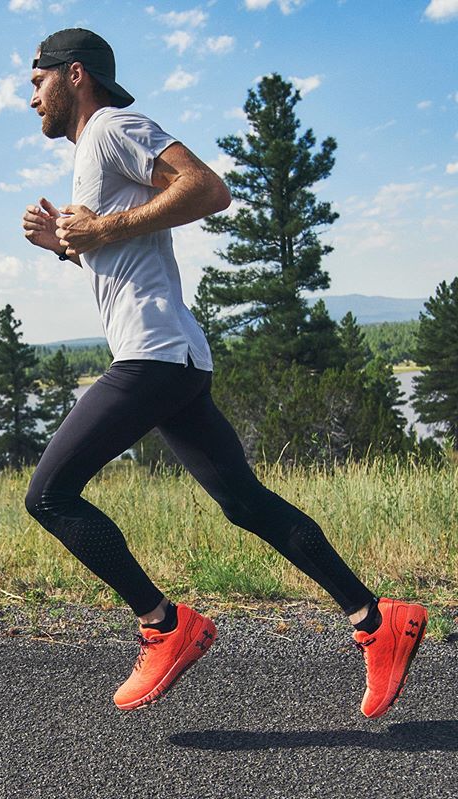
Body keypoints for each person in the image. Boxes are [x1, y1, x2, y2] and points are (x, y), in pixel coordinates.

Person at [21, 27, 427, 715]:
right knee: (243, 501)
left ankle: (165, 625)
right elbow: (123, 251)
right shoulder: (95, 151)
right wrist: (66, 245)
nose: (30, 98)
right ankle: (375, 618)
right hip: (170, 356)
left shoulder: (114, 126)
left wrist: (100, 231)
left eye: (36, 81)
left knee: (49, 494)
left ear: (74, 74)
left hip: (154, 352)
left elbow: (209, 189)